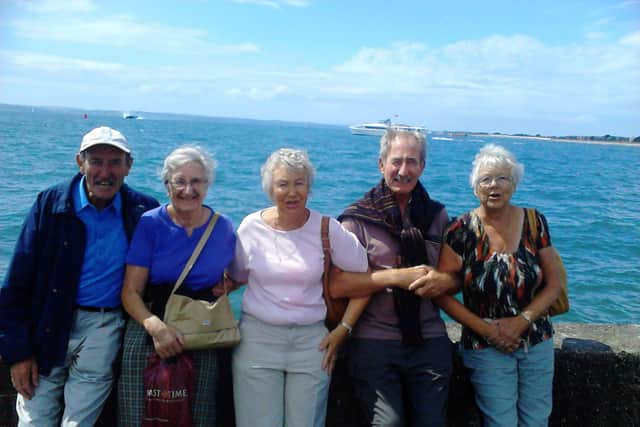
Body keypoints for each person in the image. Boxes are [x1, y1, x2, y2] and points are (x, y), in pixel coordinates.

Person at [0, 126, 159, 426]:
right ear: (79, 162)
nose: (105, 172)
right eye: (96, 161)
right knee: (34, 421)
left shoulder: (143, 211)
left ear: (129, 166)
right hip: (47, 325)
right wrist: (17, 353)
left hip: (103, 326)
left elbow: (170, 259)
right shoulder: (50, 204)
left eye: (115, 163)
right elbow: (16, 282)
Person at [227, 148, 370, 427]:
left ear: (309, 186)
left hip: (311, 343)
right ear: (270, 188)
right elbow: (237, 275)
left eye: (299, 183)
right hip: (257, 339)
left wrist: (344, 329)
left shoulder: (327, 229)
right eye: (283, 184)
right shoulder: (250, 227)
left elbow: (365, 279)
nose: (292, 192)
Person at [329, 129, 456, 427]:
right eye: (396, 161)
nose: (403, 170)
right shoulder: (357, 219)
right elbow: (338, 284)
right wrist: (397, 277)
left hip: (428, 337)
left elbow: (454, 276)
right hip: (375, 339)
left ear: (422, 167)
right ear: (381, 164)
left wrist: (445, 281)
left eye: (412, 162)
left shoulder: (437, 215)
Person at [431, 144, 563, 427]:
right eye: (485, 179)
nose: (494, 185)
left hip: (536, 339)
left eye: (502, 178)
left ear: (513, 184)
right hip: (485, 345)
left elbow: (555, 283)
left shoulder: (533, 221)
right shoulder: (462, 230)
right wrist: (488, 331)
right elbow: (441, 293)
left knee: (537, 421)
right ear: (475, 187)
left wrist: (522, 320)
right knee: (500, 423)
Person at [118, 145, 236, 426]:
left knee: (199, 417)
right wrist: (157, 328)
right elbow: (130, 292)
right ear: (167, 184)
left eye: (196, 181)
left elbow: (242, 272)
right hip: (149, 330)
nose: (188, 190)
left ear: (208, 184)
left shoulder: (223, 228)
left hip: (202, 335)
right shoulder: (151, 224)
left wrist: (226, 287)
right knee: (138, 418)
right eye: (179, 181)